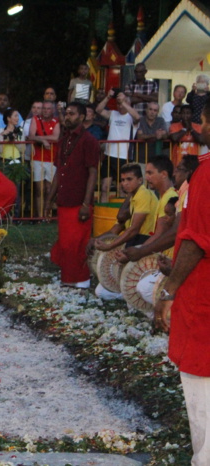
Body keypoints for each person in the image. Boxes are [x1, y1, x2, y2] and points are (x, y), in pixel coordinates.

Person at [154, 103, 210, 465]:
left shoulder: (206, 174)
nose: (198, 127)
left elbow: (195, 240)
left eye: (203, 121)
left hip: (202, 293)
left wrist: (169, 289)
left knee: (201, 384)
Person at [45, 102, 100, 288]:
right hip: (64, 200)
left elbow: (93, 172)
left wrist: (86, 203)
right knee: (66, 244)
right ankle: (68, 279)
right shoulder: (64, 140)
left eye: (72, 114)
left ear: (82, 117)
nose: (67, 116)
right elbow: (58, 172)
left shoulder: (89, 141)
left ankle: (81, 279)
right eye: (66, 113)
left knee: (77, 244)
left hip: (79, 201)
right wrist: (49, 200)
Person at [94, 163, 158, 253]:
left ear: (140, 180)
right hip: (137, 240)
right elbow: (115, 230)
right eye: (122, 180)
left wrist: (109, 246)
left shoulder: (143, 194)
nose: (125, 183)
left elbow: (134, 230)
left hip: (144, 241)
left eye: (129, 179)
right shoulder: (133, 196)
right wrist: (95, 240)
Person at [96, 89, 141, 203]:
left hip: (124, 157)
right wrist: (108, 97)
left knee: (122, 188)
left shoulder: (131, 117)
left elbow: (137, 117)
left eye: (123, 102)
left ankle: (121, 216)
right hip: (109, 155)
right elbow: (98, 110)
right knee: (105, 187)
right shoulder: (113, 113)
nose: (120, 105)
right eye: (118, 102)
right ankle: (103, 213)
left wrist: (124, 102)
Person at [29, 100, 60, 217]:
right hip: (38, 158)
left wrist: (40, 137)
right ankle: (40, 216)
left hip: (52, 158)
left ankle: (49, 215)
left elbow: (56, 137)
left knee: (49, 189)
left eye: (48, 109)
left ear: (53, 110)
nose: (46, 111)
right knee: (39, 189)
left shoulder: (56, 121)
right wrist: (43, 140)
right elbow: (31, 135)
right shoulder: (35, 119)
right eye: (44, 109)